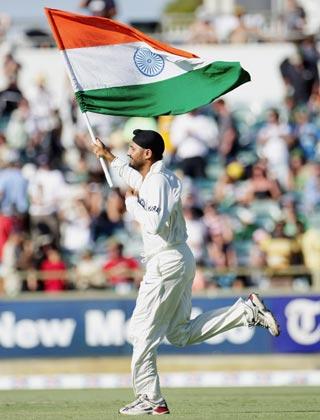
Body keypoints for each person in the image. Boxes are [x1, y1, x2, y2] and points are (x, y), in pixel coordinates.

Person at [92, 129, 280, 416]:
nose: (128, 151)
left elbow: (153, 223)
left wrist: (130, 204)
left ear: (147, 154)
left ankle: (150, 398)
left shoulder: (155, 182)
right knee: (178, 334)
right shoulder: (155, 177)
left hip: (165, 262)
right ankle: (246, 313)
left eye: (131, 148)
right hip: (176, 258)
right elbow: (132, 178)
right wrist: (108, 156)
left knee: (140, 333)